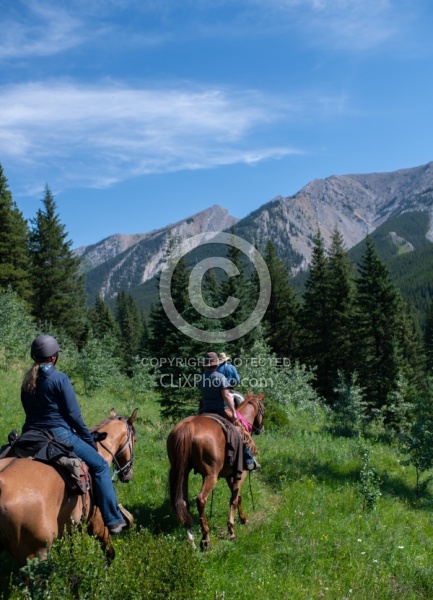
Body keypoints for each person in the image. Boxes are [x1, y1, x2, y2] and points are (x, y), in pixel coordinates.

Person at [20, 335, 130, 535]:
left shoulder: (27, 381)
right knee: (100, 466)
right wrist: (89, 441)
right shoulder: (59, 379)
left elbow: (29, 411)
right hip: (58, 434)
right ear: (53, 358)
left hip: (30, 435)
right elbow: (73, 416)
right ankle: (113, 520)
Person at [198, 351, 260, 470]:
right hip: (221, 409)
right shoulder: (221, 377)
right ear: (216, 364)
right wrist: (233, 412)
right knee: (240, 429)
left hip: (205, 409)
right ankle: (248, 459)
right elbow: (227, 395)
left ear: (206, 365)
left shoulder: (202, 378)